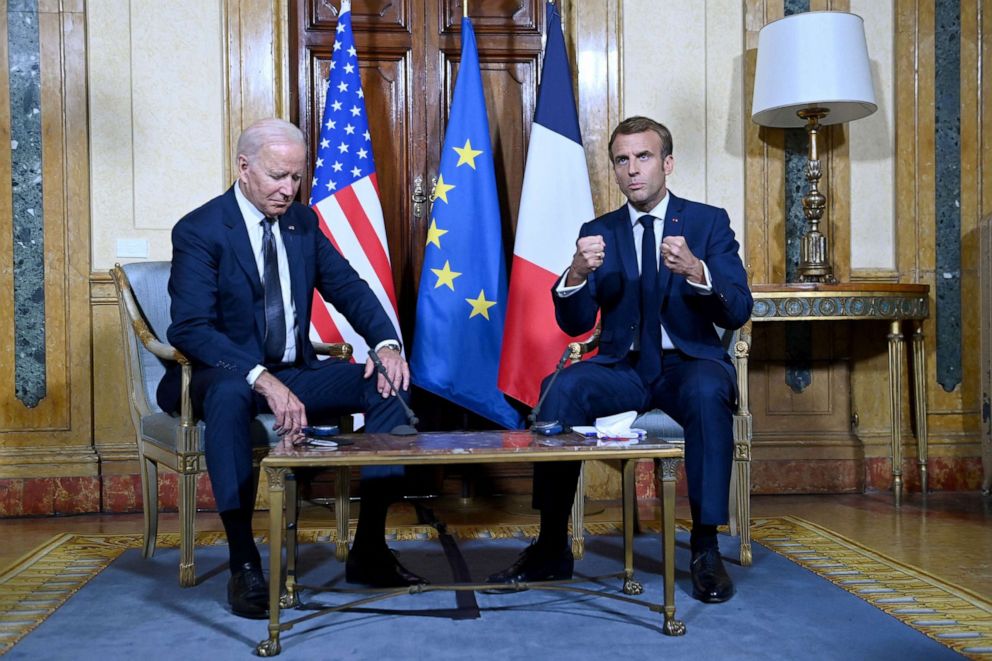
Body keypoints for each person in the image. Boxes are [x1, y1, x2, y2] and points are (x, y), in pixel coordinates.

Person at [157, 118, 426, 620]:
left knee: (389, 388)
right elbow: (190, 329)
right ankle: (244, 564)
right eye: (278, 176)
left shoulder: (304, 224)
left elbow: (348, 288)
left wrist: (386, 345)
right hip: (222, 373)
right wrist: (260, 376)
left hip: (295, 369)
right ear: (243, 167)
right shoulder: (200, 229)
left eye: (297, 178)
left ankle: (369, 546)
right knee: (230, 398)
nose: (289, 189)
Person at [487, 116, 753, 603]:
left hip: (687, 363)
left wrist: (698, 270)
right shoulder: (599, 231)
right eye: (622, 160)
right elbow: (574, 322)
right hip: (623, 368)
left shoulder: (707, 222)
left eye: (644, 157)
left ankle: (705, 546)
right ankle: (550, 545)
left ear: (667, 164)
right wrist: (574, 272)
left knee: (707, 390)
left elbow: (739, 304)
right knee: (560, 388)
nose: (633, 170)